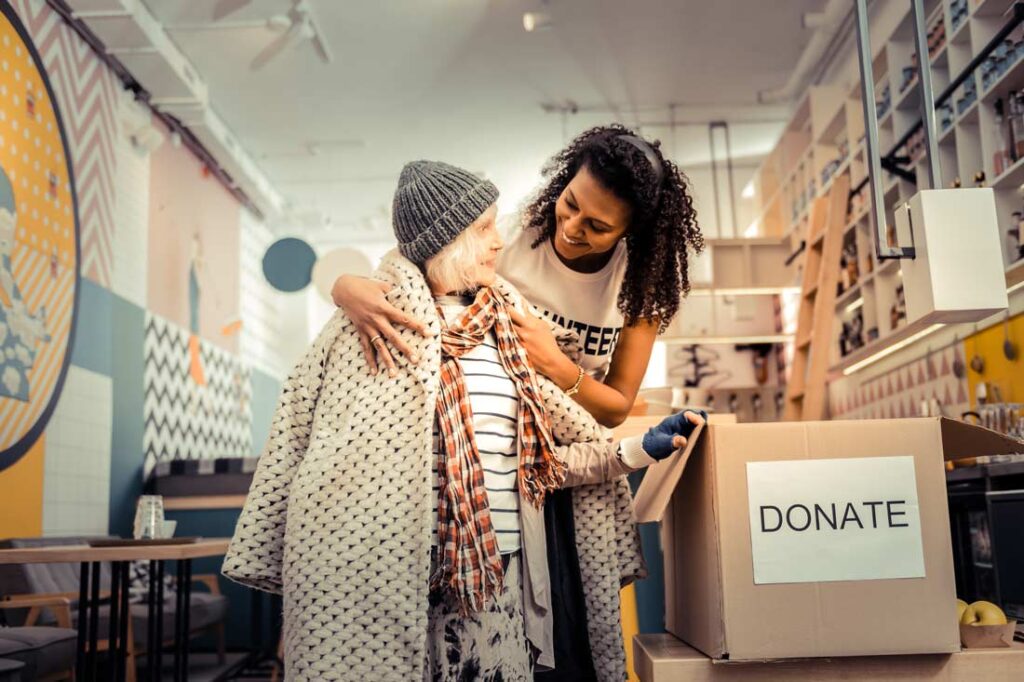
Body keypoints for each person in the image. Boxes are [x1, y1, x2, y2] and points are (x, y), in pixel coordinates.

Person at [223, 160, 705, 682]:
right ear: (449, 241)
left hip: (503, 574)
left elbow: (541, 461)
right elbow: (312, 435)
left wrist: (635, 450)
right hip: (391, 574)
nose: (499, 242)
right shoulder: (376, 330)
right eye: (483, 229)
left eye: (597, 224)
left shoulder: (514, 335)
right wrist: (345, 286)